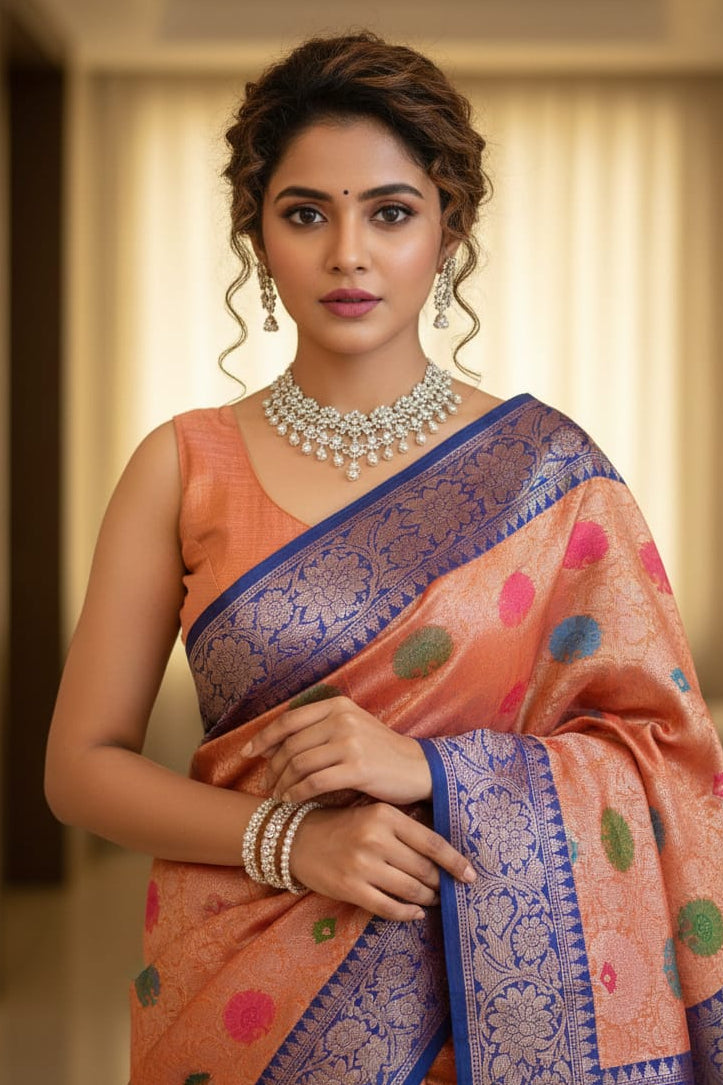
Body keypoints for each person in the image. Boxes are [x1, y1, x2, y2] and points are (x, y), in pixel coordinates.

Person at [45, 31, 723, 1085]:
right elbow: (79, 769)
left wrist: (431, 770)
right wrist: (290, 839)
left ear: (449, 232)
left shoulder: (548, 468)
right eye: (306, 211)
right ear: (258, 236)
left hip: (491, 1007)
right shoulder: (185, 463)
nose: (347, 252)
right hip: (240, 1005)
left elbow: (668, 759)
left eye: (391, 212)